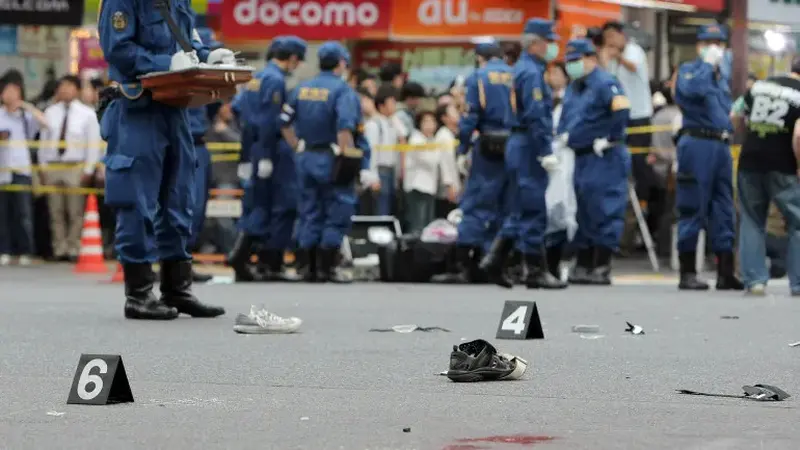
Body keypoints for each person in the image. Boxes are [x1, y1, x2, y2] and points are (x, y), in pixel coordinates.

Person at [98, 0, 226, 319]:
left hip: (176, 108)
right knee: (135, 202)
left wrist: (208, 56)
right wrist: (167, 61)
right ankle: (139, 294)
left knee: (179, 200)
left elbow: (189, 40)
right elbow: (118, 50)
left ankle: (177, 289)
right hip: (138, 107)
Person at [279, 41, 374, 283]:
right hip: (333, 158)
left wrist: (297, 146)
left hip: (306, 157)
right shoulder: (342, 91)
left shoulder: (302, 88)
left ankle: (308, 267)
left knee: (310, 211)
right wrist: (351, 163)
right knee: (337, 209)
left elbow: (284, 122)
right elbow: (344, 129)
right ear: (341, 63)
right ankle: (326, 267)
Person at [479, 20, 562, 290]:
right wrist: (546, 151)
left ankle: (496, 259)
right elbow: (536, 115)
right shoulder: (532, 73)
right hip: (528, 143)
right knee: (533, 206)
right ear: (536, 43)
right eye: (549, 42)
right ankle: (536, 271)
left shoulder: (524, 69)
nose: (552, 47)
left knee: (519, 208)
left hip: (519, 141)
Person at [228, 36, 306, 282]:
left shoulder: (256, 77)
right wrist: (264, 155)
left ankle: (247, 258)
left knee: (256, 204)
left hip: (254, 150)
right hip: (271, 151)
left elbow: (239, 111)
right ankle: (262, 261)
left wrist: (247, 153)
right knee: (279, 207)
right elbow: (270, 121)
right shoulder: (275, 80)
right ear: (292, 58)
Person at [672, 24, 743, 291]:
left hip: (721, 145)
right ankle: (687, 272)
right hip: (697, 143)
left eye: (718, 42)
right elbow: (693, 92)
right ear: (699, 46)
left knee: (724, 207)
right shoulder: (690, 70)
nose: (714, 47)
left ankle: (725, 272)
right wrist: (706, 66)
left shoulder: (721, 77)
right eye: (708, 42)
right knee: (692, 205)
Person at [561, 38, 631, 285]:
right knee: (584, 209)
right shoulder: (574, 87)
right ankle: (584, 263)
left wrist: (610, 138)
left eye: (575, 61)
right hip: (581, 157)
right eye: (568, 62)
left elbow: (622, 110)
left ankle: (601, 265)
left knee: (605, 208)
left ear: (590, 59)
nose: (571, 66)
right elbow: (569, 117)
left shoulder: (605, 82)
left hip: (605, 155)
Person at [731, 57, 800, 295]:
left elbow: (735, 114)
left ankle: (755, 281)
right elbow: (799, 135)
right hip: (784, 165)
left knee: (752, 220)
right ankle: (798, 283)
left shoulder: (760, 86)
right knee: (797, 222)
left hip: (750, 161)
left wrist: (747, 136)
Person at [450, 40, 513, 284]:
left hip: (487, 147)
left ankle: (466, 264)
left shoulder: (478, 77)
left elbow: (471, 116)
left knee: (477, 202)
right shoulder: (516, 75)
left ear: (479, 58)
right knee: (504, 204)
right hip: (513, 147)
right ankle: (494, 260)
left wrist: (462, 147)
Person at [39, 75, 102, 263]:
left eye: (68, 86)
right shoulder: (50, 112)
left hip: (75, 166)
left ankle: (74, 247)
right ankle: (60, 248)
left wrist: (89, 169)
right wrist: (42, 166)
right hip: (53, 165)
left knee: (75, 211)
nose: (64, 90)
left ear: (76, 90)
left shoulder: (87, 113)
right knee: (55, 211)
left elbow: (93, 143)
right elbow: (44, 140)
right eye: (62, 86)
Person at [186, 28, 222, 283]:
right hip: (180, 143)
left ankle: (183, 261)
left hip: (199, 144)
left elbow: (216, 105)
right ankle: (170, 262)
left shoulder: (209, 79)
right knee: (178, 205)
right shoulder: (175, 73)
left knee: (197, 207)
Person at [0, 75, 47, 267]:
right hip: (2, 170)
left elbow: (45, 123)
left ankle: (26, 250)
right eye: (7, 91)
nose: (10, 95)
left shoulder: (26, 117)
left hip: (21, 169)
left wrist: (26, 106)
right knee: (3, 215)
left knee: (23, 213)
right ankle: (5, 250)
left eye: (15, 91)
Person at [404, 110, 459, 234]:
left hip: (429, 188)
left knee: (428, 224)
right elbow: (431, 160)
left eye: (432, 121)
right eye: (426, 122)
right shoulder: (416, 139)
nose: (430, 125)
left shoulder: (431, 140)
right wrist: (439, 151)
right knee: (418, 224)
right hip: (417, 187)